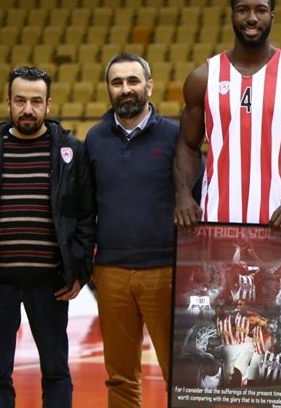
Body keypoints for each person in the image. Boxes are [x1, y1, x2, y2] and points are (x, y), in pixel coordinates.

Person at [0, 66, 96, 407]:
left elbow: (86, 218)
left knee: (56, 370)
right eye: (20, 101)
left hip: (51, 284)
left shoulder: (71, 151)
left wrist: (80, 271)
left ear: (48, 104)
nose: (28, 109)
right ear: (8, 102)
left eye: (36, 101)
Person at [173, 0, 281, 231]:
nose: (251, 18)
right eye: (243, 10)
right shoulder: (203, 77)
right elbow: (187, 144)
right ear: (232, 15)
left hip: (278, 223)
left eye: (260, 10)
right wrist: (183, 194)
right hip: (215, 219)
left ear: (272, 16)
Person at [84, 52, 182, 407]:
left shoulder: (175, 135)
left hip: (165, 270)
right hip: (110, 272)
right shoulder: (94, 139)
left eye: (133, 81)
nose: (125, 88)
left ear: (149, 86)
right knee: (120, 377)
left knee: (181, 375)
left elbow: (195, 197)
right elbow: (86, 206)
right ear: (108, 89)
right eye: (117, 82)